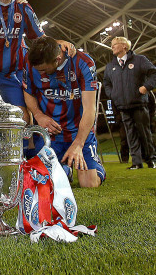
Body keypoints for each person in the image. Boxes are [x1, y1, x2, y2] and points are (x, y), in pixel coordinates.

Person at [23, 36, 105, 187]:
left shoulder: (84, 63)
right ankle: (64, 169)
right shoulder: (30, 62)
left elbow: (89, 109)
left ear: (57, 59)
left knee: (89, 185)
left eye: (43, 70)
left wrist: (79, 144)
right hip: (51, 132)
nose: (40, 73)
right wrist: (38, 115)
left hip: (78, 131)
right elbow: (28, 92)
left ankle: (97, 167)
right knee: (43, 182)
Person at [103, 36, 156, 169]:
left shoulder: (140, 60)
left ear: (124, 46)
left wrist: (146, 87)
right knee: (130, 135)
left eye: (115, 44)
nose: (112, 47)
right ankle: (137, 163)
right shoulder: (110, 67)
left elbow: (154, 73)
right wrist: (112, 95)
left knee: (144, 133)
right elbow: (106, 83)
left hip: (139, 104)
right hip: (122, 106)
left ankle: (151, 160)